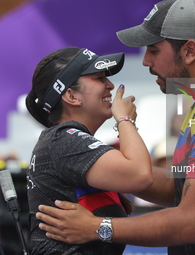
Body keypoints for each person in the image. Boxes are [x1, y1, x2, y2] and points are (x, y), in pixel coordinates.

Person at [35, 1, 195, 254]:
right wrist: (103, 171)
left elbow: (191, 223)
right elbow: (180, 188)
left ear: (189, 51)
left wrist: (97, 227)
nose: (145, 61)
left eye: (153, 50)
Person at [25, 47, 153, 254]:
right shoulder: (64, 141)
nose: (110, 85)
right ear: (71, 96)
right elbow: (140, 175)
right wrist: (124, 120)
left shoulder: (65, 141)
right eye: (99, 78)